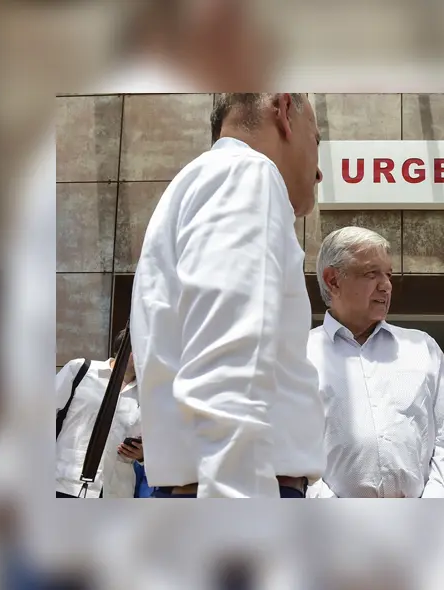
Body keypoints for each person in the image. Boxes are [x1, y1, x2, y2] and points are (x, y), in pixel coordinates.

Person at [130, 93, 325, 498]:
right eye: (317, 139)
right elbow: (230, 363)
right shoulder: (248, 174)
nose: (320, 171)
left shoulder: (199, 182)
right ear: (285, 111)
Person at [305, 227, 444, 498]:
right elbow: (288, 450)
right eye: (371, 274)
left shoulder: (421, 348)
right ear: (333, 280)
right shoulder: (300, 355)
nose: (386, 285)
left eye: (388, 274)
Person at [54, 329, 141, 498]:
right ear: (122, 348)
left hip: (116, 490)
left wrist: (142, 455)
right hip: (66, 483)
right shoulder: (81, 369)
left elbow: (155, 444)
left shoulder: (149, 395)